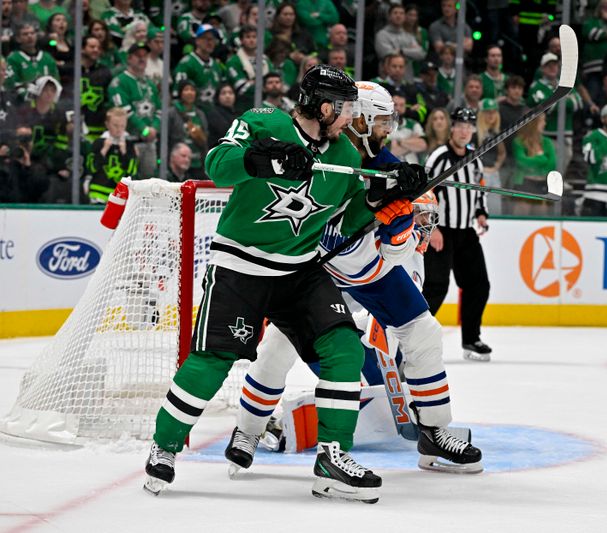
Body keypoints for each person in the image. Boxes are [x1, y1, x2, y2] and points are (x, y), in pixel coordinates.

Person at [143, 65, 420, 504]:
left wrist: (383, 198)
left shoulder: (346, 157)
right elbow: (217, 163)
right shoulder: (264, 123)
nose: (351, 118)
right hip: (239, 266)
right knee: (213, 359)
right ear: (325, 107)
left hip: (300, 271)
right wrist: (259, 159)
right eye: (346, 109)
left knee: (345, 348)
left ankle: (332, 458)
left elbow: (345, 222)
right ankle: (165, 444)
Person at [224, 81, 481, 476]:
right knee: (279, 344)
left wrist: (401, 218)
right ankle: (248, 430)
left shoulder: (382, 161)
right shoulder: (324, 152)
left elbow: (398, 246)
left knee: (423, 331)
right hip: (319, 265)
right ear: (356, 119)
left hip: (366, 268)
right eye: (380, 121)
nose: (387, 130)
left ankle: (433, 430)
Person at [423, 107, 491, 362]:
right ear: (452, 128)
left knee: (479, 285)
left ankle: (471, 339)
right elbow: (425, 194)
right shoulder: (439, 157)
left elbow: (479, 189)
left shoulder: (476, 158)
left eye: (469, 125)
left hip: (466, 232)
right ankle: (415, 342)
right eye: (460, 125)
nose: (464, 130)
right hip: (442, 232)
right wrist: (433, 228)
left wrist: (481, 213)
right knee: (435, 287)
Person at [108, 41, 160, 179]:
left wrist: (154, 128)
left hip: (149, 142)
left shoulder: (150, 84)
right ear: (129, 58)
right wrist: (144, 129)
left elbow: (159, 110)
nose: (142, 58)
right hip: (127, 141)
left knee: (149, 182)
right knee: (127, 180)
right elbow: (123, 110)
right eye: (138, 55)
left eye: (145, 55)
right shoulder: (119, 82)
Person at [86, 107, 138, 202]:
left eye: (122, 126)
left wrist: (124, 153)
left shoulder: (129, 144)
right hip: (98, 192)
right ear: (107, 124)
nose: (119, 129)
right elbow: (91, 168)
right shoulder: (98, 142)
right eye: (115, 125)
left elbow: (132, 171)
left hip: (119, 195)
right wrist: (104, 150)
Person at [173, 24, 226, 113]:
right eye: (206, 39)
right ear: (197, 41)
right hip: (193, 112)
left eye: (212, 39)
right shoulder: (187, 63)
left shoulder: (216, 66)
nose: (210, 43)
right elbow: (177, 93)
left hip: (213, 111)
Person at [509, 114, 555, 216]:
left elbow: (551, 165)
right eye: (542, 121)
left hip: (542, 184)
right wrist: (542, 158)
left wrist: (533, 161)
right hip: (525, 184)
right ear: (533, 123)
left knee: (541, 217)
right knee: (521, 215)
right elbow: (522, 162)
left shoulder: (547, 142)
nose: (545, 124)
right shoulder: (519, 141)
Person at [5, 22, 59, 103]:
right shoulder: (13, 59)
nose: (30, 36)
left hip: (48, 101)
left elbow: (56, 80)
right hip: (22, 104)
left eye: (32, 33)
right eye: (25, 34)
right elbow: (12, 84)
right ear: (18, 39)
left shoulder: (47, 57)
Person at [581, 0, 607, 106]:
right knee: (594, 96)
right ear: (599, 9)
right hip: (594, 68)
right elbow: (590, 33)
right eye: (604, 7)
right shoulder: (591, 21)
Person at [168, 79, 209, 180]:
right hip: (177, 164)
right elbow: (166, 137)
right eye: (186, 89)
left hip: (197, 163)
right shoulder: (172, 113)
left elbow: (205, 137)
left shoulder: (200, 114)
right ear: (180, 93)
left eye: (192, 90)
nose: (190, 92)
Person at [374, 4, 425, 82]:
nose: (398, 16)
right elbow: (387, 54)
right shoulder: (382, 35)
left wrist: (402, 51)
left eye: (401, 13)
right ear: (389, 16)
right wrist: (410, 52)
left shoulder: (409, 36)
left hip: (407, 81)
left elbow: (421, 53)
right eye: (395, 13)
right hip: (387, 82)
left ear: (405, 17)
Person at [225, 25, 270, 113]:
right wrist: (264, 86)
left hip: (265, 107)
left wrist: (252, 82)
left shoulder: (265, 60)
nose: (251, 40)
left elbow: (272, 79)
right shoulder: (234, 61)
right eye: (248, 37)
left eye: (254, 37)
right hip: (243, 108)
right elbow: (241, 88)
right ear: (241, 40)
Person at [80, 36, 113, 143]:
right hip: (76, 125)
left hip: (97, 125)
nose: (96, 50)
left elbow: (109, 98)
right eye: (92, 47)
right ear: (82, 48)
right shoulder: (71, 70)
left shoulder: (105, 72)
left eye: (98, 47)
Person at [476, 98, 506, 215]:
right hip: (478, 174)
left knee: (495, 210)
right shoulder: (474, 132)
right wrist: (481, 169)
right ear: (482, 113)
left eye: (494, 112)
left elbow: (502, 152)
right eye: (488, 112)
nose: (491, 115)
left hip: (493, 174)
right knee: (479, 209)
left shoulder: (495, 132)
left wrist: (496, 166)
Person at [389, 91, 427, 165]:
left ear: (406, 107)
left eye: (402, 105)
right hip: (391, 170)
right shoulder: (382, 126)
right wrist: (412, 142)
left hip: (413, 170)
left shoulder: (414, 124)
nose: (398, 108)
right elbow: (392, 151)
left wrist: (399, 142)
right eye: (395, 105)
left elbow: (423, 145)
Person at [205, 82, 238, 146]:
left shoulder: (238, 114)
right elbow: (226, 131)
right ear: (218, 97)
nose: (227, 96)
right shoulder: (213, 114)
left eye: (230, 93)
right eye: (223, 93)